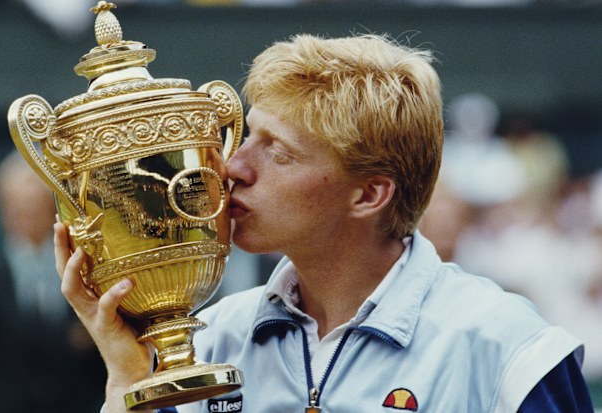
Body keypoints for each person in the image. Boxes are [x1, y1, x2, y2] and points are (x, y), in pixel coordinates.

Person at [54, 33, 594, 412]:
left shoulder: (507, 347)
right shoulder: (212, 341)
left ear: (369, 194)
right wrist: (128, 378)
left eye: (278, 152)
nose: (234, 167)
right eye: (249, 136)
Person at [0, 150, 106, 412]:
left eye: (33, 208)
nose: (23, 218)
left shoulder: (84, 271)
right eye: (15, 208)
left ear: (52, 207)